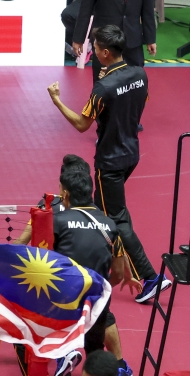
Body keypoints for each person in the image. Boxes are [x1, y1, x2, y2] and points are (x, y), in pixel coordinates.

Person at [48, 25, 170, 305]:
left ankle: (150, 277)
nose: (91, 51)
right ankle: (109, 257)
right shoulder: (140, 73)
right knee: (105, 208)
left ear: (104, 53)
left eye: (94, 47)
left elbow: (82, 124)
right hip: (131, 153)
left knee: (116, 218)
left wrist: (56, 101)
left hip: (110, 161)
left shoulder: (103, 87)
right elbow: (138, 104)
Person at [13, 155, 140, 376]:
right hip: (98, 298)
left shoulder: (54, 217)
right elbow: (119, 272)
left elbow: (43, 259)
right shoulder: (109, 224)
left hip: (65, 297)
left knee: (33, 314)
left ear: (66, 193)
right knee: (95, 345)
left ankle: (62, 353)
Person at [70, 0, 157, 82]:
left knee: (135, 81)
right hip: (105, 40)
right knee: (103, 82)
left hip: (133, 40)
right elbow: (85, 10)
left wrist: (150, 39)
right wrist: (78, 39)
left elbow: (148, 12)